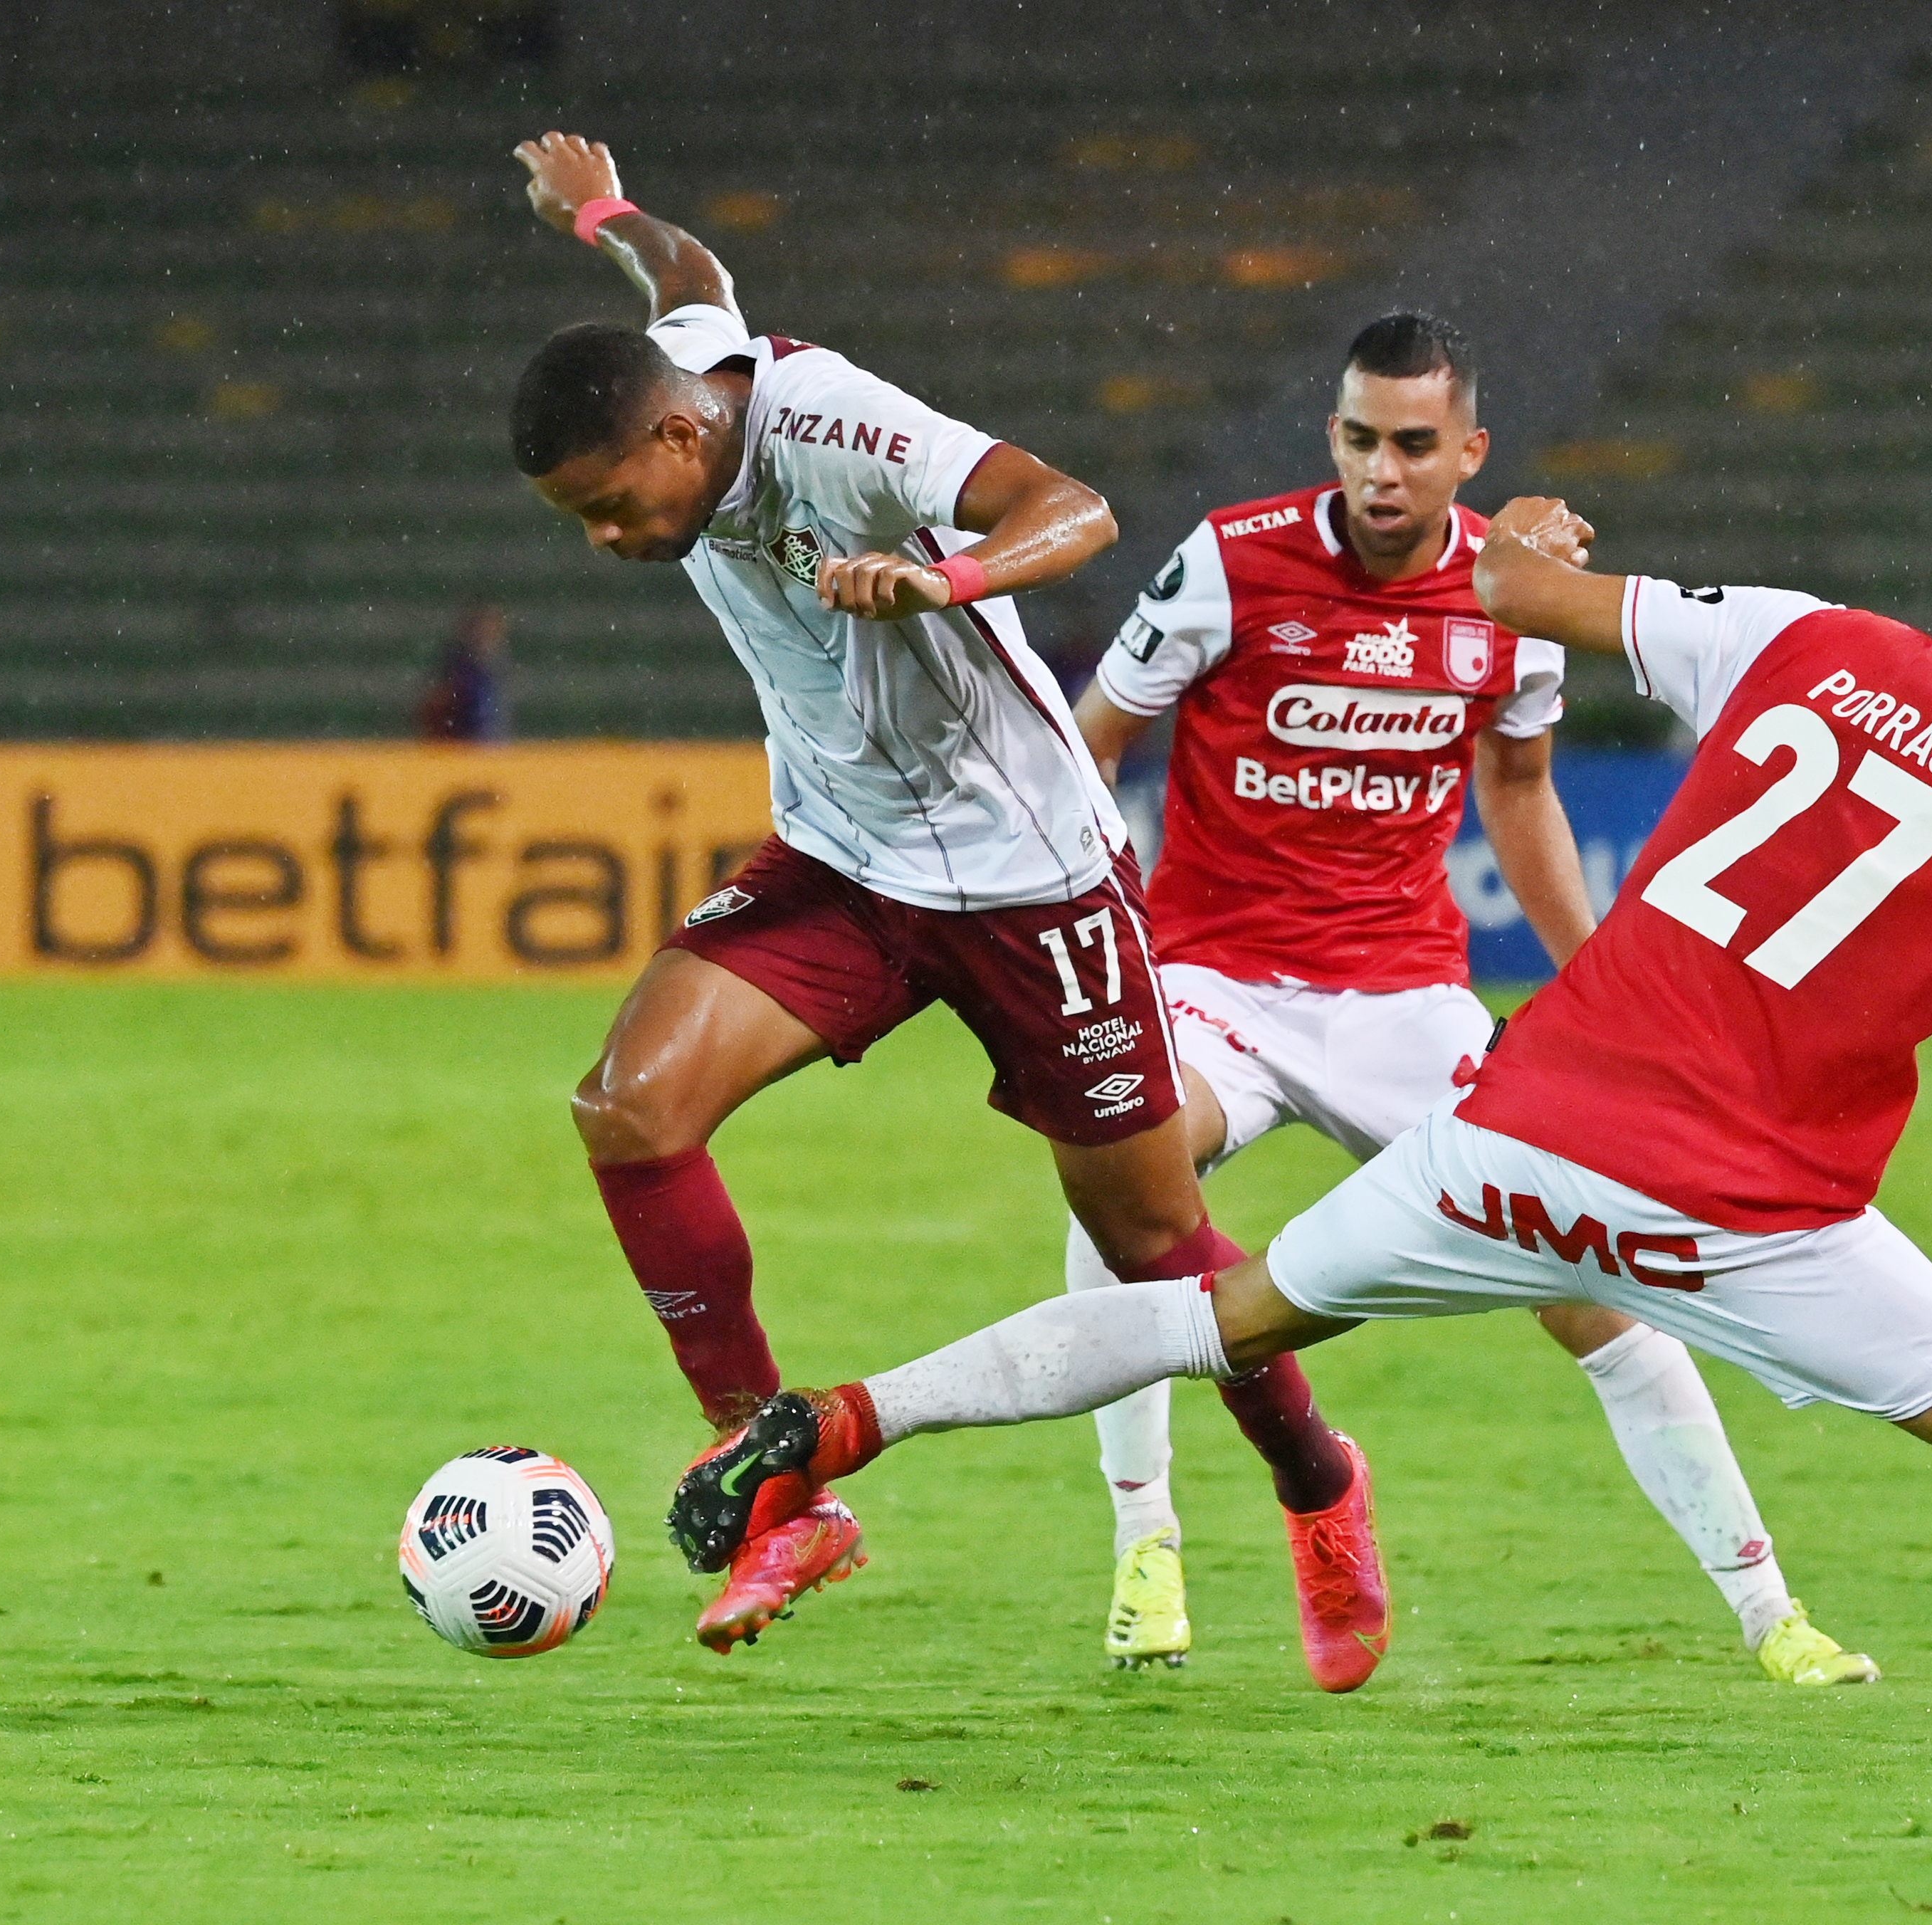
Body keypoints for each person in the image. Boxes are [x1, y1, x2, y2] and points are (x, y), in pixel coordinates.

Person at [671, 500, 1932, 1749]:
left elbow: (1514, 591)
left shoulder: (1807, 636)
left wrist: (1523, 537)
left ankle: (845, 1424)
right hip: (1752, 1205)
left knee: (1226, 1318)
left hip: (1525, 1129)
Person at [503, 130, 1389, 1684]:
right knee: (629, 1107)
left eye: (605, 503)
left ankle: (1316, 1476)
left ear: (672, 432)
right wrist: (606, 211)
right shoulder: (687, 361)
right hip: (844, 860)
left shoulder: (835, 425)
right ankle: (779, 1492)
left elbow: (1076, 505)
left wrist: (947, 582)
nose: (604, 540)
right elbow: (692, 279)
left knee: (1158, 1242)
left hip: (1029, 879)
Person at [1068, 312, 1868, 1685]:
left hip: (1405, 1001)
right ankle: (1146, 1542)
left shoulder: (1512, 595)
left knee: (1589, 1273)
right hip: (1215, 982)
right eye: (1361, 439)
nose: (1383, 470)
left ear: (1467, 452)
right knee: (1121, 1157)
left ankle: (1766, 1609)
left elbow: (1516, 791)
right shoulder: (1228, 558)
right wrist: (1096, 933)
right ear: (1331, 437)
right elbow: (1091, 743)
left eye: (1414, 445)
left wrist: (1603, 975)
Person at [416, 602, 511, 742]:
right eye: (484, 628)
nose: (490, 633)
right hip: (462, 752)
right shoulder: (457, 672)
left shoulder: (495, 670)